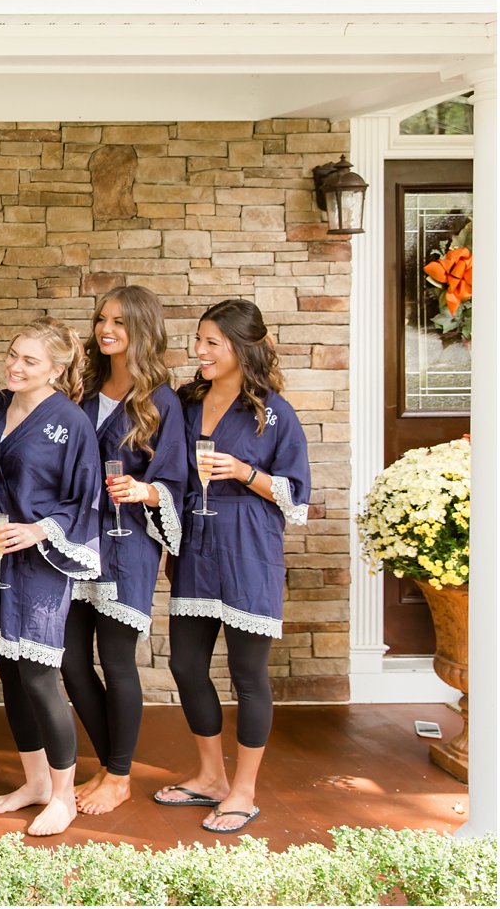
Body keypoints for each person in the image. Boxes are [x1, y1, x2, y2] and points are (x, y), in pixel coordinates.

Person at [155, 299, 311, 834]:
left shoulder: (273, 412)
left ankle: (244, 791)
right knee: (185, 666)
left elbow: (296, 497)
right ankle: (211, 777)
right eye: (197, 340)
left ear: (241, 347)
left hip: (249, 549)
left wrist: (244, 472)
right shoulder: (185, 400)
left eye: (210, 343)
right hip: (196, 546)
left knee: (247, 676)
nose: (198, 351)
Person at [0, 316, 102, 837]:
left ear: (57, 369)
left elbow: (83, 497)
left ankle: (64, 796)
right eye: (13, 354)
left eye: (30, 360)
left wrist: (40, 531)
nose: (15, 366)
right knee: (10, 673)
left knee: (41, 677)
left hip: (41, 561)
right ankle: (36, 781)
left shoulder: (69, 423)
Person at [64, 286, 188, 816]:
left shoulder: (162, 401)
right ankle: (109, 762)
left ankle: (118, 775)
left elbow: (177, 482)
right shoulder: (83, 391)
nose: (106, 329)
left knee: (116, 661)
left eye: (119, 321)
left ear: (143, 328)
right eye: (101, 320)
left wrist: (144, 490)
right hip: (74, 542)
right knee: (69, 662)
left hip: (126, 544)